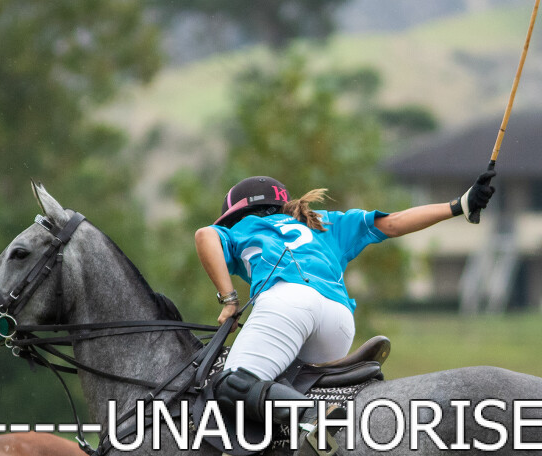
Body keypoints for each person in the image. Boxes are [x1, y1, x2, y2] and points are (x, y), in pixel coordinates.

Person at [195, 171, 495, 438]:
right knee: (285, 386)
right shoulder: (323, 221)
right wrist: (459, 205)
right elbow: (393, 223)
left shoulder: (243, 227)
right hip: (338, 320)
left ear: (238, 214)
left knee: (232, 385)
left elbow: (205, 235)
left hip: (288, 303)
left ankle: (313, 416)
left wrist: (229, 301)